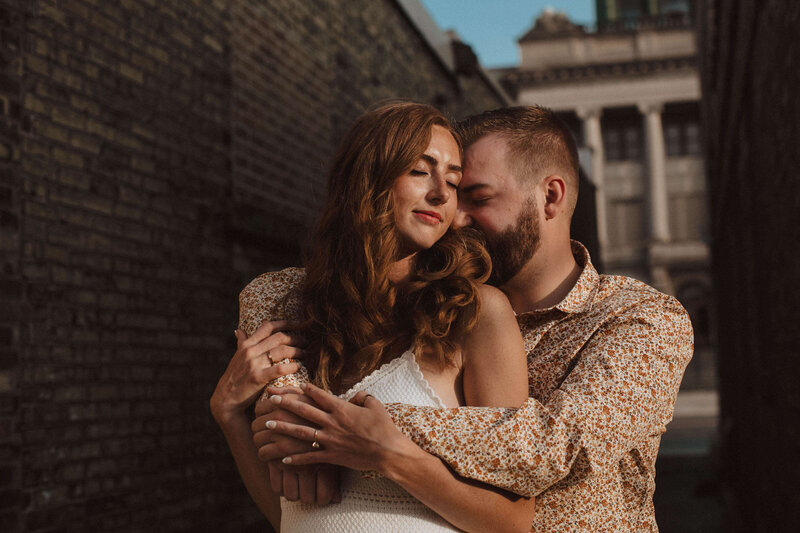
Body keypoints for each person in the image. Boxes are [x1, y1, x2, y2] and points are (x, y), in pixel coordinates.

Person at [255, 105, 694, 532]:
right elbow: (273, 297)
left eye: (477, 197)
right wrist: (263, 400)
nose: (455, 216)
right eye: (448, 188)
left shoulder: (640, 319)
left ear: (550, 196)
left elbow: (557, 446)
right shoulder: (433, 309)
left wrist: (355, 426)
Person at [211, 101, 537, 532]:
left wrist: (389, 456)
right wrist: (229, 414)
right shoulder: (299, 314)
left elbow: (514, 522)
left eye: (453, 180)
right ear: (367, 178)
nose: (441, 193)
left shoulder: (473, 312)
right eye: (419, 171)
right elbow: (290, 514)